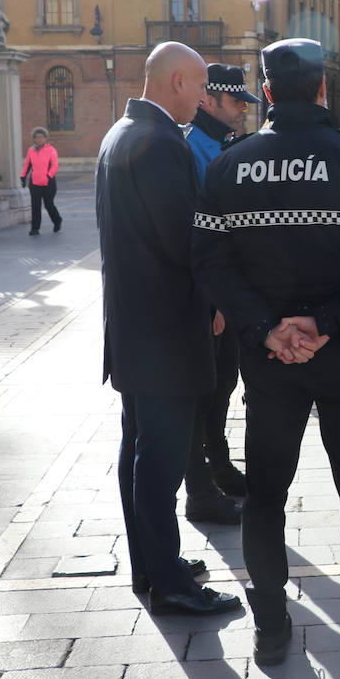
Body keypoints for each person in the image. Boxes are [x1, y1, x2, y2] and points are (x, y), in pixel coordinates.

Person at [192, 38, 340, 677]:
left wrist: (268, 329)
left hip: (269, 364)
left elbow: (208, 261)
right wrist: (325, 323)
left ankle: (271, 631)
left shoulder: (229, 165)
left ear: (267, 92)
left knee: (267, 495)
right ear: (323, 90)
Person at [96, 41, 242, 617]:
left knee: (140, 451)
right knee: (158, 459)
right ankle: (170, 585)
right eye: (201, 86)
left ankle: (153, 567)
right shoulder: (159, 143)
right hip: (163, 332)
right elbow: (187, 239)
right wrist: (219, 297)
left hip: (136, 327)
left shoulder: (121, 133)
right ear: (178, 81)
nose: (204, 98)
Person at [180, 63, 260, 522]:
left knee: (223, 385)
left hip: (230, 294)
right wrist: (212, 300)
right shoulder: (193, 149)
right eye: (234, 104)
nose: (241, 113)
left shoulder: (223, 145)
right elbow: (198, 232)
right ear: (207, 100)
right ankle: (200, 487)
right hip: (212, 297)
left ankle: (219, 467)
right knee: (203, 392)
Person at [20, 127, 62, 236]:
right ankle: (35, 228)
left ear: (45, 138)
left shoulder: (51, 150)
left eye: (41, 137)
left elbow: (54, 165)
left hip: (49, 183)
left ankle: (57, 221)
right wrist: (23, 177)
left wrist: (49, 176)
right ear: (33, 139)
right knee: (35, 205)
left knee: (48, 205)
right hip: (34, 183)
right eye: (36, 137)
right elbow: (27, 165)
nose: (39, 139)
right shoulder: (31, 150)